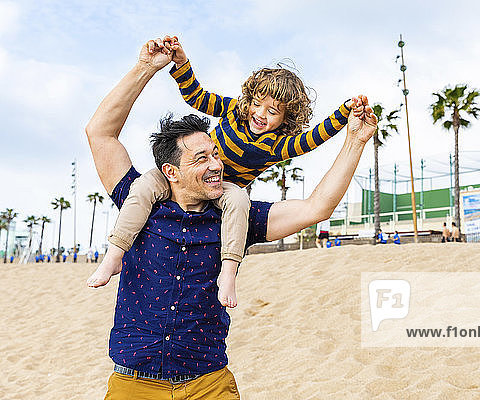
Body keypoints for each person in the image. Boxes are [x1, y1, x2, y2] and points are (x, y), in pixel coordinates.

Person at [85, 36, 377, 399]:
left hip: (209, 382)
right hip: (134, 383)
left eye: (215, 154)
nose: (215, 164)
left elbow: (315, 208)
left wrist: (355, 140)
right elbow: (101, 133)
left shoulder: (239, 215)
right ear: (171, 171)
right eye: (201, 158)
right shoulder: (141, 201)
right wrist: (148, 67)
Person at [88, 37, 354, 310]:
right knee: (143, 186)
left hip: (223, 192)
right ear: (249, 98)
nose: (260, 114)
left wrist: (345, 113)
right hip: (179, 182)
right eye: (257, 104)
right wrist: (180, 63)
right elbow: (196, 95)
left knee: (239, 198)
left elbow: (314, 138)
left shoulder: (278, 145)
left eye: (273, 111)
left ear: (286, 118)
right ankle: (114, 254)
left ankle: (228, 274)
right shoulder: (233, 112)